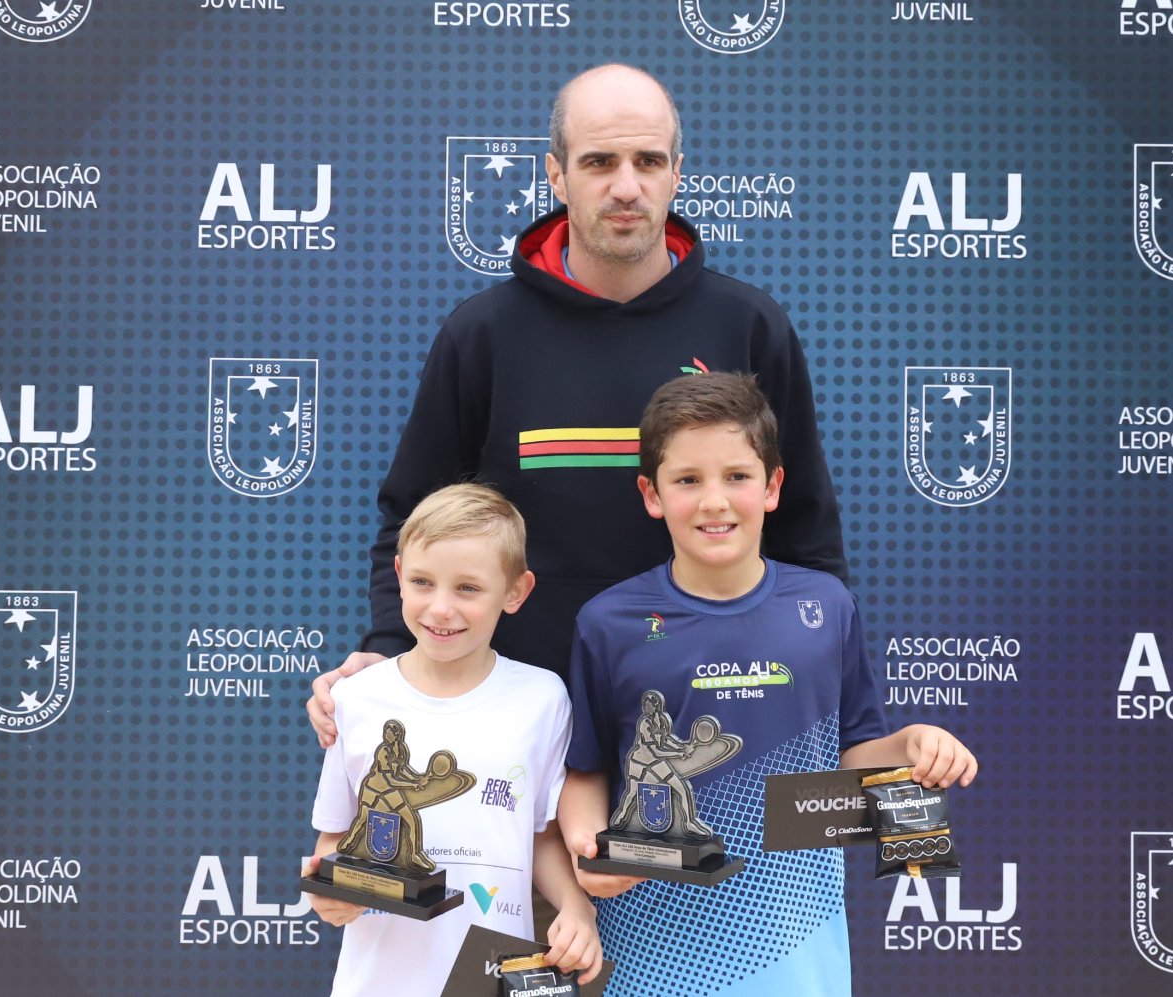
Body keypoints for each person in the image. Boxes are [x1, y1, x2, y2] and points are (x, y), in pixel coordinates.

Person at [308, 63, 847, 746]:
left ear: (677, 173)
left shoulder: (748, 326)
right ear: (557, 176)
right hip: (521, 722)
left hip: (712, 714)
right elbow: (416, 517)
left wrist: (829, 680)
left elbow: (803, 527)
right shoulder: (484, 334)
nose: (626, 186)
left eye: (648, 161)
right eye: (599, 162)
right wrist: (391, 651)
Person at [559, 373, 978, 996]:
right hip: (649, 959)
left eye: (737, 476)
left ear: (773, 486)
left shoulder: (826, 607)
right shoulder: (608, 622)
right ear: (652, 494)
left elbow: (854, 756)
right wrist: (585, 848)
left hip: (797, 956)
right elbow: (586, 770)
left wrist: (914, 744)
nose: (714, 501)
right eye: (687, 480)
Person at [304, 483, 602, 995]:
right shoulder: (356, 697)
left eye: (467, 588)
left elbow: (541, 834)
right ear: (399, 576)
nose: (441, 608)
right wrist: (329, 895)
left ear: (516, 591)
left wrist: (577, 908)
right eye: (423, 582)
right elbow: (336, 838)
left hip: (491, 980)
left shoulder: (542, 698)